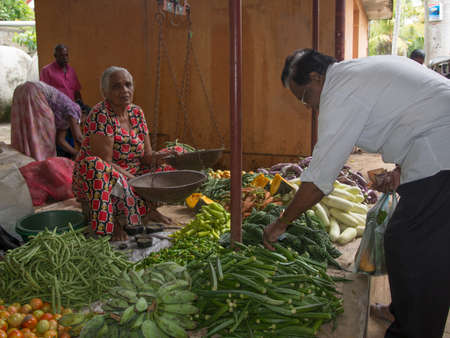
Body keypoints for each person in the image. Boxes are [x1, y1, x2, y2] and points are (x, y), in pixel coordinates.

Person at [263, 49, 450, 338]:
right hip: (435, 147)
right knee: (408, 243)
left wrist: (281, 224)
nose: (309, 106)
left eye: (305, 96)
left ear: (316, 77)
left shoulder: (341, 92)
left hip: (442, 156)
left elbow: (318, 181)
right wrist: (401, 170)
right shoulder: (358, 74)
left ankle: (414, 328)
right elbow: (416, 112)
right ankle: (404, 312)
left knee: (417, 250)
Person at [72, 66, 174, 241]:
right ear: (105, 92)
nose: (124, 90)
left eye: (128, 85)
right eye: (116, 86)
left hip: (131, 177)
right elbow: (105, 163)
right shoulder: (100, 115)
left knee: (171, 162)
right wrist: (134, 182)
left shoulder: (137, 113)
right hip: (106, 179)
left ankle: (148, 210)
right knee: (95, 166)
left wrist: (162, 156)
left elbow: (147, 156)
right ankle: (111, 223)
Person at [10, 81, 83, 161]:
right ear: (85, 114)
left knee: (26, 130)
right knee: (45, 139)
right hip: (34, 91)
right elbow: (78, 137)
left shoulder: (65, 120)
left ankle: (28, 160)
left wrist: (76, 153)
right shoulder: (75, 109)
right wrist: (90, 152)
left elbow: (60, 141)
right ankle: (41, 164)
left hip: (21, 91)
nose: (80, 125)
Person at [40, 44, 90, 114]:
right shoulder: (46, 71)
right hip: (56, 111)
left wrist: (80, 106)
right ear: (55, 56)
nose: (65, 58)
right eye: (61, 55)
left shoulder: (71, 70)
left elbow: (76, 92)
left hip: (71, 110)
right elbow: (44, 93)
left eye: (66, 55)